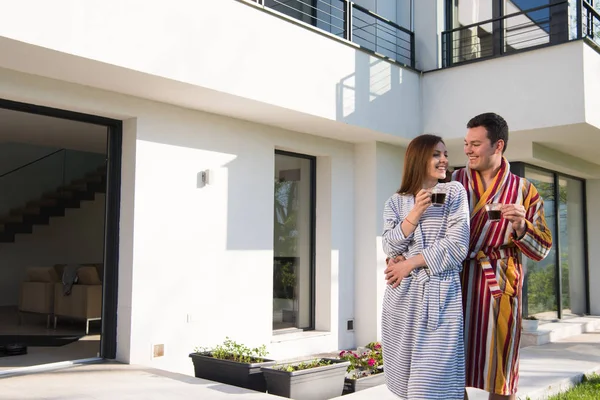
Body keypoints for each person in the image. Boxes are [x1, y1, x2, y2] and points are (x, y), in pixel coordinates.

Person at [389, 113, 553, 399]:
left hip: (496, 288)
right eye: (465, 143)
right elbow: (419, 223)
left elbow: (543, 250)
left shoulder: (524, 190)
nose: (467, 150)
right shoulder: (451, 181)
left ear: (498, 145)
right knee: (449, 371)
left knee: (500, 373)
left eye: (475, 144)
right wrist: (399, 255)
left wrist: (520, 226)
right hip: (450, 284)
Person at [381, 134, 470, 400]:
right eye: (436, 154)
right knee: (408, 387)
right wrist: (415, 213)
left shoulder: (453, 192)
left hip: (440, 298)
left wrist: (409, 262)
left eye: (445, 154)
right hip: (402, 300)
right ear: (418, 158)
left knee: (429, 389)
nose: (444, 160)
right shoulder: (395, 202)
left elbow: (457, 246)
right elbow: (389, 247)